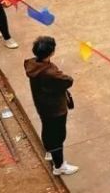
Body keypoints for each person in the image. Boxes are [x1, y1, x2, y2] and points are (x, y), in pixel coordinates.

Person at [24, 36, 78, 175]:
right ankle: (59, 166)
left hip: (42, 106)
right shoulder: (50, 73)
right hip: (55, 109)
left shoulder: (32, 64)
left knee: (47, 129)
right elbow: (67, 81)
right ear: (51, 52)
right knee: (58, 136)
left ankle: (49, 151)